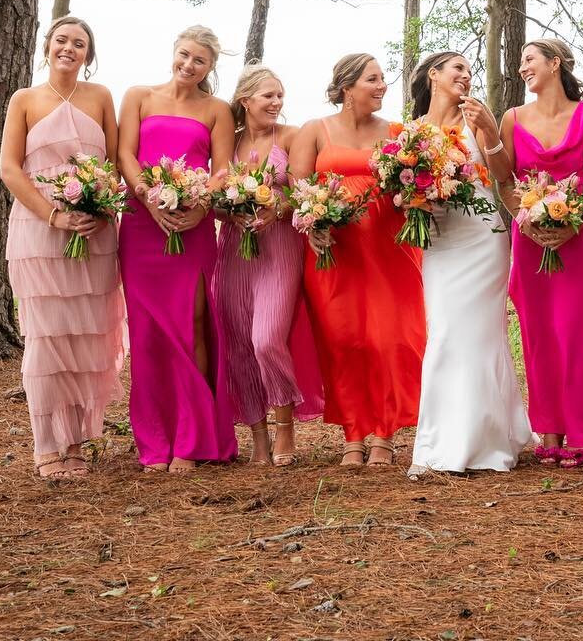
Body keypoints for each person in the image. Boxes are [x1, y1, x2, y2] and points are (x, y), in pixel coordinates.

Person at [1, 16, 124, 480]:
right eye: (62, 40)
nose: (69, 48)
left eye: (79, 43)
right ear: (47, 46)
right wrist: (54, 214)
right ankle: (45, 443)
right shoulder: (25, 99)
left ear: (88, 55)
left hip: (93, 233)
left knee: (85, 339)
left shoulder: (101, 97)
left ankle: (76, 442)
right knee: (47, 339)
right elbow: (11, 170)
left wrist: (98, 206)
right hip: (41, 232)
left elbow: (111, 163)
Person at [289, 54, 426, 467]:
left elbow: (414, 184)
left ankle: (384, 434)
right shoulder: (314, 130)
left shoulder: (398, 133)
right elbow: (299, 187)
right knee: (344, 341)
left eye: (384, 79)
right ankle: (353, 433)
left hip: (390, 253)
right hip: (334, 253)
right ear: (347, 87)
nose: (382, 85)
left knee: (389, 340)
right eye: (373, 79)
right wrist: (314, 224)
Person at [117, 26, 237, 473]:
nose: (189, 65)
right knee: (148, 333)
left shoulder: (217, 110)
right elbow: (125, 155)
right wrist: (148, 195)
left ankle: (193, 438)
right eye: (184, 55)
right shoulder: (138, 96)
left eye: (200, 61)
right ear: (173, 52)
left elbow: (222, 170)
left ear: (210, 68)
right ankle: (155, 439)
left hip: (194, 224)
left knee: (192, 323)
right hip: (141, 223)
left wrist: (200, 204)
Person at [406, 52, 532, 476]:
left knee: (480, 337)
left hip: (482, 237)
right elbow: (400, 191)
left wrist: (492, 131)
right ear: (433, 76)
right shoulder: (412, 133)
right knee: (444, 334)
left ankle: (487, 440)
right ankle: (441, 441)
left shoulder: (477, 118)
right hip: (440, 241)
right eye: (456, 68)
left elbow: (502, 175)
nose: (465, 75)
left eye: (469, 70)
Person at [500, 38, 583, 469]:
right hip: (529, 239)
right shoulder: (511, 118)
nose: (523, 67)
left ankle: (577, 430)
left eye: (529, 59)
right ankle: (548, 429)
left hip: (576, 238)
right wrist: (528, 220)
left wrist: (572, 222)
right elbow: (506, 182)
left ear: (554, 63)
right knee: (538, 331)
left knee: (572, 330)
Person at [212, 63, 317, 467]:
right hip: (236, 248)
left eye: (280, 95)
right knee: (238, 342)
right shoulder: (228, 143)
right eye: (268, 96)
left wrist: (278, 208)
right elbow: (216, 197)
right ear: (245, 100)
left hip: (280, 246)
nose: (277, 102)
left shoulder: (291, 137)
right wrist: (229, 212)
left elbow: (303, 192)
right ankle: (257, 435)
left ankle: (285, 426)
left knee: (267, 337)